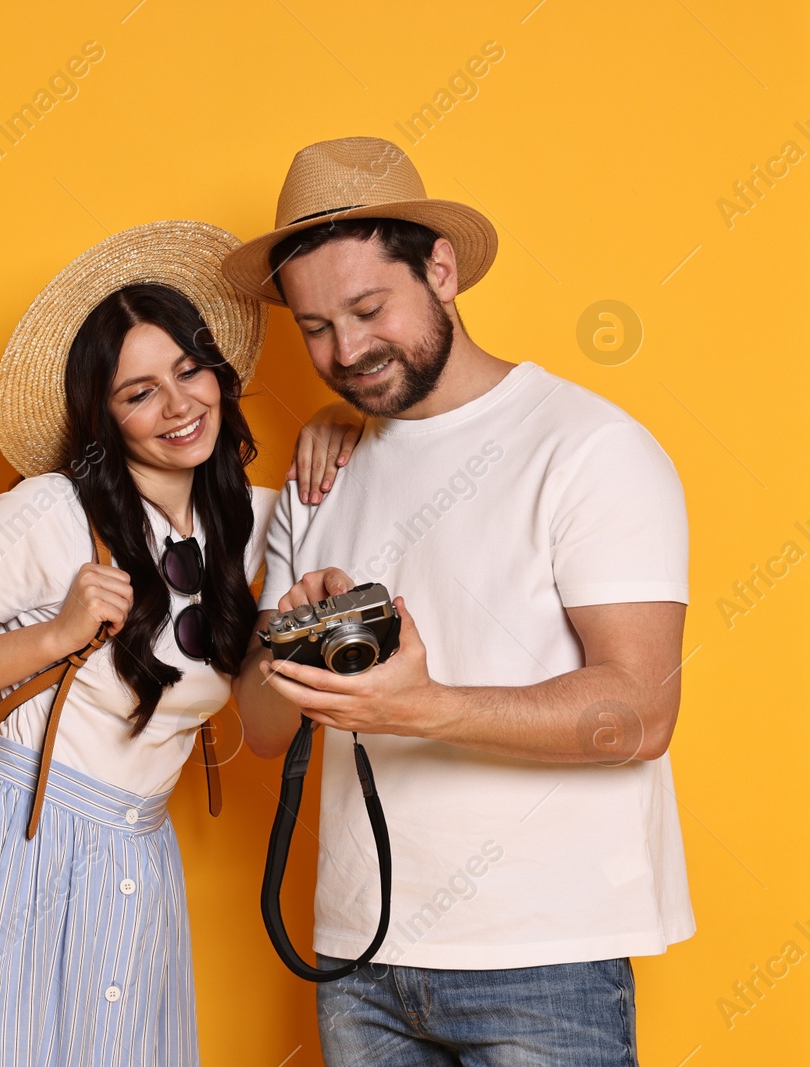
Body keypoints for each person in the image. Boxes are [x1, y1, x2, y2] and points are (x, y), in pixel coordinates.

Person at [224, 136, 692, 1066]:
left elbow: (640, 711)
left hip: (544, 956)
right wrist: (294, 641)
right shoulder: (323, 472)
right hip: (360, 959)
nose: (346, 350)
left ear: (440, 270)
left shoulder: (589, 449)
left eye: (368, 307)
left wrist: (420, 707)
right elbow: (262, 725)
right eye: (315, 327)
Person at [0, 219, 281, 1067]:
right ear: (107, 415)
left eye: (189, 371)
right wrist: (56, 634)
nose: (177, 405)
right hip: (19, 841)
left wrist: (342, 426)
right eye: (138, 393)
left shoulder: (263, 522)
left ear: (221, 375)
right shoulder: (51, 511)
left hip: (139, 860)